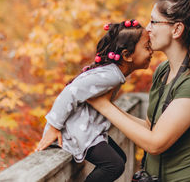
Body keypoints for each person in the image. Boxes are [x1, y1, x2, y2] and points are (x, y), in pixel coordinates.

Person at [87, 0, 190, 182]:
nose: (147, 29)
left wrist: (103, 105)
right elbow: (151, 128)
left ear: (176, 29)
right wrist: (102, 106)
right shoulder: (163, 71)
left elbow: (155, 143)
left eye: (153, 21)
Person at [35, 19, 153, 182]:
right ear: (127, 55)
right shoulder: (110, 76)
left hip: (89, 128)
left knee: (120, 159)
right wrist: (54, 127)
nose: (152, 51)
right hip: (77, 131)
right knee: (114, 165)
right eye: (147, 47)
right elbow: (70, 91)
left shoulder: (112, 73)